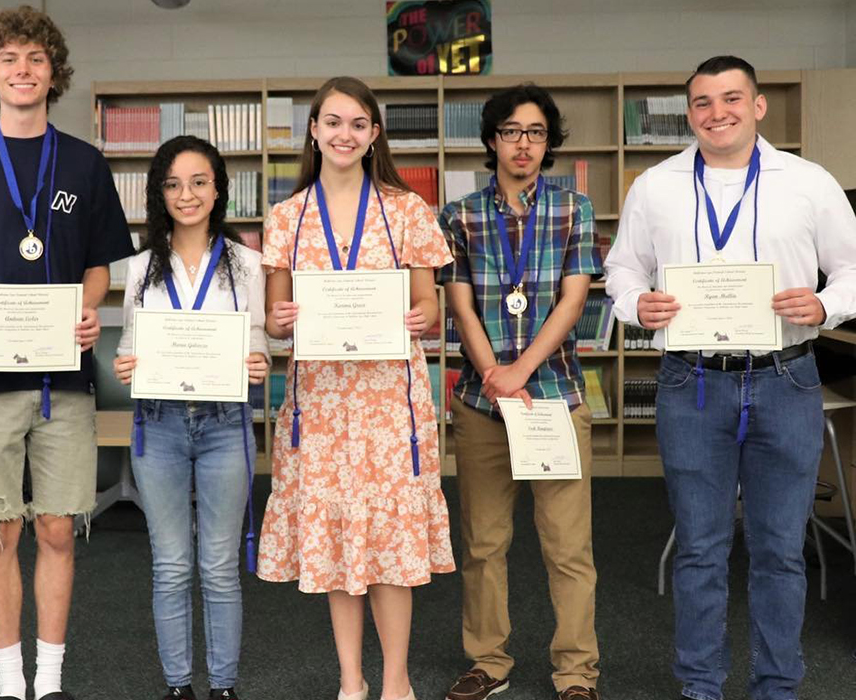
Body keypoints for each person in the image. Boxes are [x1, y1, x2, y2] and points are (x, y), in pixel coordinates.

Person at [605, 55, 856, 700]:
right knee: (700, 550)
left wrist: (826, 305)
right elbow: (623, 271)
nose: (717, 113)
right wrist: (638, 306)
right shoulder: (654, 186)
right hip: (692, 383)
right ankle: (700, 686)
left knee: (778, 551)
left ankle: (777, 686)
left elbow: (853, 268)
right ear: (689, 113)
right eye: (702, 102)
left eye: (731, 98)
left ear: (758, 105)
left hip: (785, 380)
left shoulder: (808, 182)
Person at [0, 7, 134, 700]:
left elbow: (101, 263)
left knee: (58, 530)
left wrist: (87, 307)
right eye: (8, 59)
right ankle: (9, 680)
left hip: (62, 380)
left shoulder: (83, 162)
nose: (22, 70)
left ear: (54, 73)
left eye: (35, 59)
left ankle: (50, 679)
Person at [255, 76, 455, 700]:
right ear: (314, 130)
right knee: (337, 543)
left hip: (388, 408)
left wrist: (424, 317)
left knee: (391, 544)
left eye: (358, 124)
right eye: (333, 122)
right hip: (319, 405)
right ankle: (351, 678)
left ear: (374, 136)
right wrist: (278, 320)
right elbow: (273, 318)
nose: (345, 134)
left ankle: (395, 680)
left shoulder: (405, 210)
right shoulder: (286, 218)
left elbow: (431, 306)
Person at [437, 84, 603, 700]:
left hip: (555, 397)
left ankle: (577, 672)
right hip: (483, 405)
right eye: (511, 131)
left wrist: (522, 370)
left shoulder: (574, 208)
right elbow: (459, 305)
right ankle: (488, 661)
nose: (523, 143)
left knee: (568, 548)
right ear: (491, 140)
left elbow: (575, 299)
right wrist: (495, 377)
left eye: (535, 132)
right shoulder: (456, 215)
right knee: (483, 544)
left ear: (549, 141)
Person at [112, 136, 268, 700]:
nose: (187, 195)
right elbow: (130, 343)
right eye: (174, 184)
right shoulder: (139, 268)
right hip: (160, 425)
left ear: (218, 189)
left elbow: (259, 338)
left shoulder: (248, 263)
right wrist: (125, 363)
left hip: (226, 424)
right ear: (159, 193)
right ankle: (179, 685)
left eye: (199, 182)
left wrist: (259, 359)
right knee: (173, 564)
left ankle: (223, 686)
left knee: (220, 566)